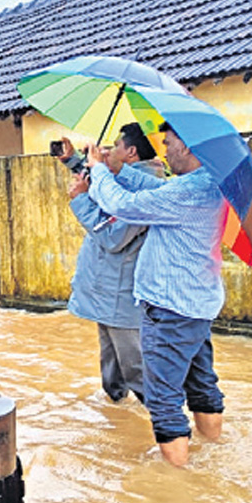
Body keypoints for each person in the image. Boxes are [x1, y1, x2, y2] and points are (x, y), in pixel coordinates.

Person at [87, 122, 227, 468]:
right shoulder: (208, 183)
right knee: (202, 386)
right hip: (197, 306)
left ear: (189, 147)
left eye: (168, 143)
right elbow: (157, 188)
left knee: (164, 402)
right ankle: (214, 452)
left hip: (169, 309)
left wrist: (98, 172)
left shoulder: (187, 193)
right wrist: (119, 169)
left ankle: (177, 486)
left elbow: (123, 205)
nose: (163, 150)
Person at [62, 124, 163, 405]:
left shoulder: (145, 196)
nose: (107, 150)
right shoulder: (124, 181)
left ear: (130, 152)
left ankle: (166, 432)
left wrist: (81, 199)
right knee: (112, 374)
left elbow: (112, 236)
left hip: (123, 296)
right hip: (106, 294)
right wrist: (72, 161)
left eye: (115, 146)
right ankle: (119, 423)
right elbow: (102, 185)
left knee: (137, 372)